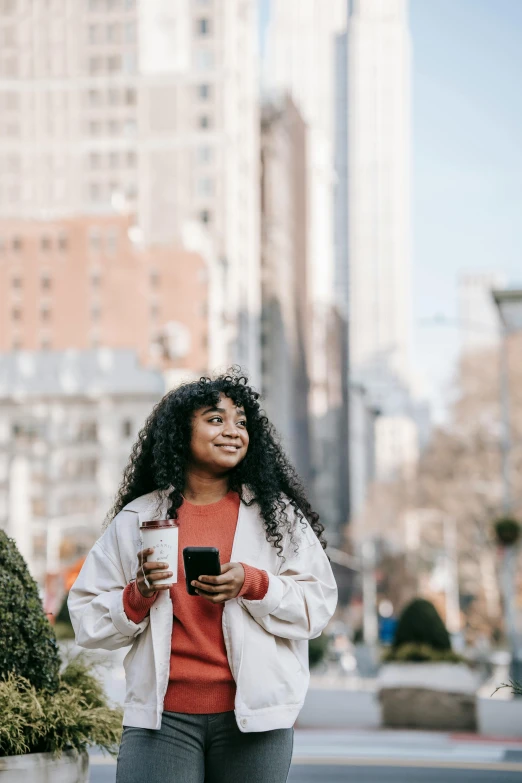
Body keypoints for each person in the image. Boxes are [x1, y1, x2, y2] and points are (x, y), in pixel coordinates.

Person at [68, 370, 337, 783]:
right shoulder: (138, 518)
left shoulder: (277, 517)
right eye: (216, 419)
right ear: (180, 433)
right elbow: (85, 616)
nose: (233, 431)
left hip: (255, 722)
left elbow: (317, 605)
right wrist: (137, 595)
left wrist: (253, 583)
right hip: (162, 721)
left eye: (241, 422)